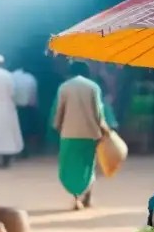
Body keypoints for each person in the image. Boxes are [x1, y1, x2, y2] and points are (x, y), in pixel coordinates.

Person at [52, 60, 107, 210]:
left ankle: (76, 198)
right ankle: (88, 196)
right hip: (90, 133)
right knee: (88, 165)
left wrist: (57, 125)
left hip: (69, 133)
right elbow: (98, 112)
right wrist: (103, 129)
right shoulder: (93, 87)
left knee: (70, 167)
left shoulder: (64, 87)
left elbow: (60, 110)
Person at [12, 66, 39, 157]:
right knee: (26, 131)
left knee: (15, 131)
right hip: (27, 108)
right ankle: (25, 150)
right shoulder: (30, 78)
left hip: (14, 108)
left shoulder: (10, 77)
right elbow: (33, 95)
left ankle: (16, 150)